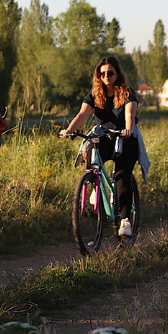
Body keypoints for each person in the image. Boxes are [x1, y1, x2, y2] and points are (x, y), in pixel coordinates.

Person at [60, 57, 144, 237]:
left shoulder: (127, 92)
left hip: (125, 138)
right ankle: (94, 186)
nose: (106, 76)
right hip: (105, 136)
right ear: (98, 75)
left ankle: (125, 221)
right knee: (91, 152)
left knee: (121, 176)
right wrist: (69, 130)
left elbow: (129, 115)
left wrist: (128, 130)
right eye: (102, 73)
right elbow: (82, 115)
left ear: (117, 74)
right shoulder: (94, 94)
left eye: (110, 73)